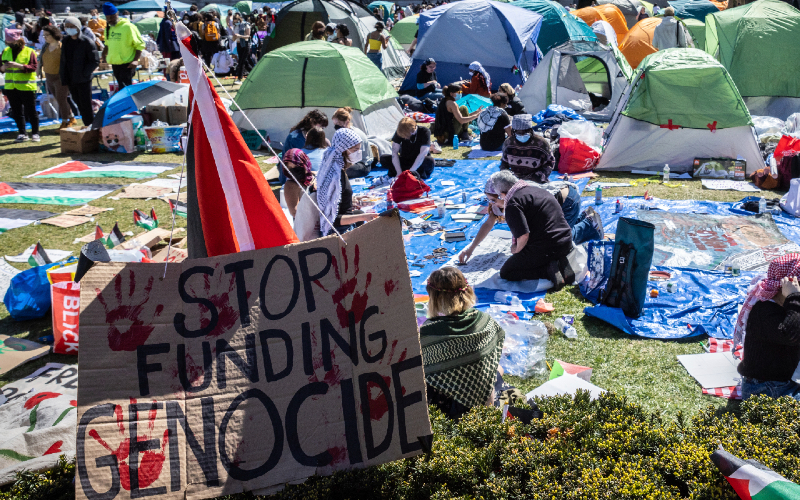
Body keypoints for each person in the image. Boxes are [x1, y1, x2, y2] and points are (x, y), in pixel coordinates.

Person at [420, 266, 505, 417]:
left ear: (435, 298)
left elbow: (424, 371)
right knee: (498, 369)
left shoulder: (429, 332)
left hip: (456, 409)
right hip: (486, 396)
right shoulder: (484, 320)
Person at [459, 177, 602, 264]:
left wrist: (519, 249)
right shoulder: (499, 202)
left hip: (567, 201)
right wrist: (470, 249)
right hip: (559, 201)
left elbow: (526, 231)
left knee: (558, 243)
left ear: (503, 194)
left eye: (494, 200)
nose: (492, 203)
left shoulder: (517, 200)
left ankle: (588, 225)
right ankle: (582, 218)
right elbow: (488, 224)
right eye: (489, 200)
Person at [489, 170, 577, 286]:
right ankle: (559, 262)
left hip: (548, 247)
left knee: (507, 272)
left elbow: (523, 236)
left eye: (499, 196)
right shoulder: (538, 190)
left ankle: (549, 271)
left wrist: (516, 250)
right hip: (566, 242)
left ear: (503, 192)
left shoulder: (513, 203)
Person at [736, 255, 800, 401]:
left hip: (781, 382)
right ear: (786, 287)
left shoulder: (785, 306)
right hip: (765, 388)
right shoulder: (764, 311)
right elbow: (791, 335)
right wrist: (794, 297)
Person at [317, 128, 379, 236]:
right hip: (338, 233)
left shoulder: (337, 168)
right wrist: (364, 217)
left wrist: (352, 200)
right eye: (355, 150)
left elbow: (338, 201)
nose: (358, 153)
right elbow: (332, 220)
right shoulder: (334, 176)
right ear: (344, 149)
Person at [1, 28, 39, 142]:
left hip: (26, 86)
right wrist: (3, 68)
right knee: (17, 112)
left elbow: (33, 67)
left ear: (18, 40)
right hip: (11, 87)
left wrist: (19, 66)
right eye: (8, 42)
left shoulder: (29, 51)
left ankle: (35, 133)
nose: (9, 44)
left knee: (31, 111)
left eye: (11, 42)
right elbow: (1, 67)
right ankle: (22, 133)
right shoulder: (5, 51)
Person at [60, 18, 99, 127]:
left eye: (71, 26)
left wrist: (85, 73)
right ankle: (88, 124)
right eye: (66, 26)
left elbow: (94, 61)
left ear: (77, 27)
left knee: (85, 104)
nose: (69, 28)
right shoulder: (66, 41)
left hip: (83, 79)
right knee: (78, 103)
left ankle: (91, 126)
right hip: (70, 78)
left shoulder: (87, 42)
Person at [37, 26, 76, 129]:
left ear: (54, 34)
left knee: (61, 100)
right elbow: (41, 59)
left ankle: (64, 122)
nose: (45, 37)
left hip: (61, 77)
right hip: (49, 77)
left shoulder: (62, 46)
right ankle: (72, 117)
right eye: (43, 35)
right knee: (59, 100)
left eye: (47, 35)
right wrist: (39, 69)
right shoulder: (45, 46)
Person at [501, 114, 554, 184]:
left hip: (536, 181)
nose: (522, 135)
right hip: (515, 181)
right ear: (514, 131)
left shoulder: (542, 143)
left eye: (525, 131)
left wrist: (539, 176)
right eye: (519, 132)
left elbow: (550, 163)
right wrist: (507, 176)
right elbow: (504, 163)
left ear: (530, 130)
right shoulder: (508, 143)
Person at [102, 2, 144, 89]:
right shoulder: (108, 29)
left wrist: (136, 60)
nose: (109, 20)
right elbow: (107, 44)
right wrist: (103, 55)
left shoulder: (128, 27)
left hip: (127, 63)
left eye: (111, 17)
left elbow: (139, 44)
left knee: (125, 88)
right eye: (107, 17)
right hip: (115, 63)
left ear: (117, 14)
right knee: (122, 87)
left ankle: (129, 103)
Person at [282, 110, 329, 183]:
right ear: (312, 122)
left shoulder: (311, 134)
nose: (321, 129)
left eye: (323, 127)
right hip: (293, 176)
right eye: (320, 125)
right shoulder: (296, 138)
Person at [332, 107, 374, 178]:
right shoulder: (343, 133)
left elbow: (356, 158)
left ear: (347, 122)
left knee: (341, 171)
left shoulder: (356, 135)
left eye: (338, 124)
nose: (336, 127)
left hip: (362, 165)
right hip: (350, 161)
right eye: (335, 124)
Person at [281, 148, 315, 217]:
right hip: (306, 224)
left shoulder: (314, 176)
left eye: (297, 166)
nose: (294, 171)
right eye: (290, 168)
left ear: (304, 162)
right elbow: (295, 212)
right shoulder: (291, 185)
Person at [231, 13, 250, 83]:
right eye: (234, 19)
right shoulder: (235, 26)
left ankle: (239, 78)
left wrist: (240, 36)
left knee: (241, 62)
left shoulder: (246, 25)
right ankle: (253, 73)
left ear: (240, 19)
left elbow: (248, 36)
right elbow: (233, 39)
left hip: (245, 44)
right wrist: (234, 37)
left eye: (237, 19)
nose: (236, 21)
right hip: (238, 44)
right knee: (245, 62)